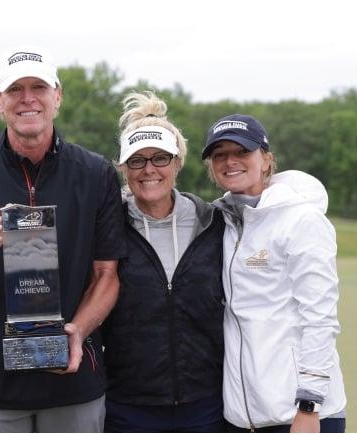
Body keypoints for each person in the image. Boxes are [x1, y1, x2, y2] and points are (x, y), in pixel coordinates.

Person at [0, 45, 126, 432]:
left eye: (39, 86)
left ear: (58, 96)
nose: (28, 98)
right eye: (15, 89)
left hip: (73, 382)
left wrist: (78, 332)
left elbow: (107, 275)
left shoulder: (95, 174)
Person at [201, 114, 347, 432]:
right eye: (220, 154)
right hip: (242, 417)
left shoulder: (301, 219)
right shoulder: (220, 222)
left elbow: (320, 317)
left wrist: (309, 405)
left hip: (300, 414)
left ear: (266, 160)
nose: (230, 162)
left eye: (242, 152)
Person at [101, 91, 226, 432]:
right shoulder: (106, 227)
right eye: (137, 161)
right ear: (123, 167)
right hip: (128, 405)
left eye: (160, 158)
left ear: (178, 162)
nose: (149, 170)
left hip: (206, 404)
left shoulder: (214, 223)